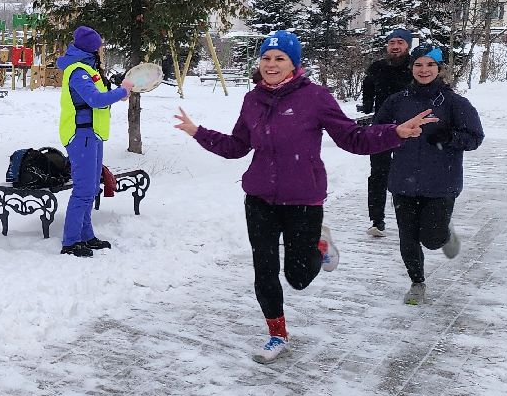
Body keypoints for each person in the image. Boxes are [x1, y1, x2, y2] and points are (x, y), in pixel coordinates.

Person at [173, 30, 434, 363]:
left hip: (303, 199)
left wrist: (394, 132)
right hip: (259, 198)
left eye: (280, 58)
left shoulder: (315, 97)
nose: (271, 64)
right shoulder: (252, 100)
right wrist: (198, 132)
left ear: (294, 64)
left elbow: (352, 138)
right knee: (264, 269)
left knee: (297, 277)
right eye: (266, 58)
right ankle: (277, 335)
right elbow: (238, 146)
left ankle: (319, 246)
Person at [374, 45, 484, 305]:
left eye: (430, 65)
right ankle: (417, 282)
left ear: (440, 69)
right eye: (418, 65)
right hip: (403, 181)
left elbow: (475, 138)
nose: (424, 70)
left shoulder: (455, 103)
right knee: (407, 237)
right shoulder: (397, 101)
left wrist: (450, 137)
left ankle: (443, 234)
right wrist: (394, 131)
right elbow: (378, 131)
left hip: (441, 182)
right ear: (411, 68)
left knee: (432, 239)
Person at [56, 26, 134, 256]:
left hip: (93, 135)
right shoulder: (78, 71)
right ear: (91, 48)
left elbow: (99, 97)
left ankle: (86, 235)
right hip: (81, 135)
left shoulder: (89, 69)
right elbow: (94, 99)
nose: (102, 49)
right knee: (83, 189)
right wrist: (122, 92)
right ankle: (70, 242)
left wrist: (116, 91)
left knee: (90, 189)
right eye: (99, 45)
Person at [357, 28, 413, 237]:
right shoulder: (377, 67)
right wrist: (367, 107)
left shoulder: (413, 68)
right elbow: (368, 90)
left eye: (400, 42)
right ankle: (377, 220)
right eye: (392, 43)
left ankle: (408, 218)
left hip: (409, 129)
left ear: (407, 46)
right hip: (381, 129)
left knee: (407, 174)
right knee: (378, 174)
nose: (396, 46)